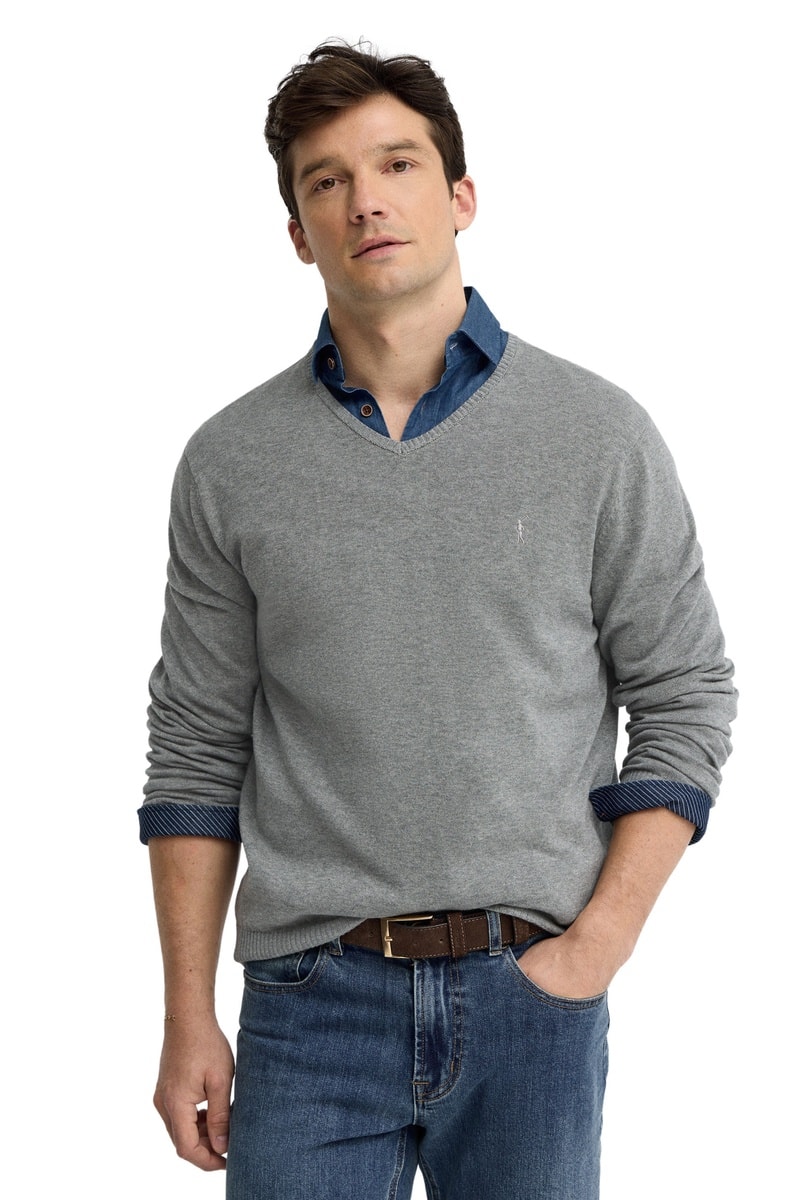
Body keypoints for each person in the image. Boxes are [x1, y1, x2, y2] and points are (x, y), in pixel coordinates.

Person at [139, 40, 736, 1200]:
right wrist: (186, 1017)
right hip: (307, 1004)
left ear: (460, 196)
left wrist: (595, 947)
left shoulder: (596, 436)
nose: (364, 200)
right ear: (298, 233)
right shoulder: (230, 464)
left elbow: (683, 694)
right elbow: (196, 746)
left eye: (396, 164)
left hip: (531, 992)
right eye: (326, 181)